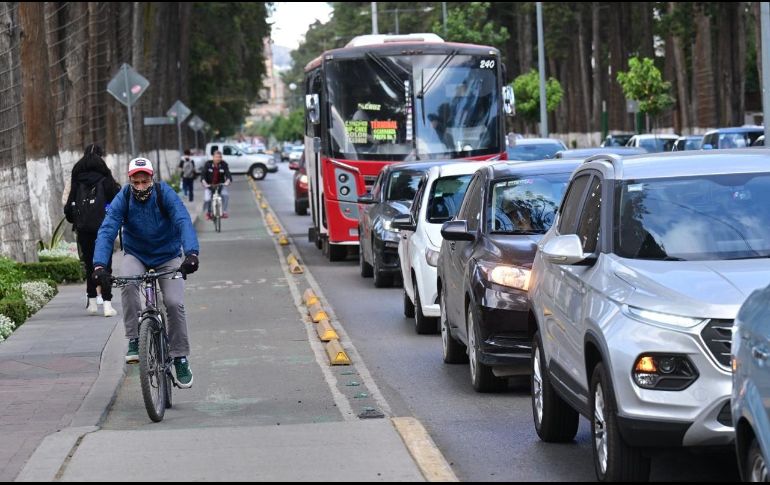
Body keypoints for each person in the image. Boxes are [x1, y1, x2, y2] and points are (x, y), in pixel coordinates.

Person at [91, 157, 200, 388]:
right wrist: (100, 265)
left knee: (173, 302)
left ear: (152, 178)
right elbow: (108, 229)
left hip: (168, 255)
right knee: (128, 284)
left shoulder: (165, 193)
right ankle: (134, 338)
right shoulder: (124, 197)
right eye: (136, 181)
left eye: (145, 180)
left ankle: (180, 356)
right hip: (137, 254)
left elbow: (182, 220)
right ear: (130, 180)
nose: (141, 186)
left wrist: (191, 253)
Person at [63, 143, 121, 317]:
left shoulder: (77, 179)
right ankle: (108, 304)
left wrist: (78, 221)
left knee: (89, 265)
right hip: (104, 229)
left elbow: (68, 209)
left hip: (84, 230)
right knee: (105, 265)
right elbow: (116, 203)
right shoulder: (106, 178)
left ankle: (92, 303)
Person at [201, 150, 232, 219]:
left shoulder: (224, 164)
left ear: (221, 158)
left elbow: (228, 174)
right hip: (209, 185)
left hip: (220, 185)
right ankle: (208, 213)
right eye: (216, 157)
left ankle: (224, 212)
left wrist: (228, 181)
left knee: (226, 195)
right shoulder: (208, 164)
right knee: (207, 199)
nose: (218, 158)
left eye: (219, 157)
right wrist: (204, 182)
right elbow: (203, 174)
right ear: (213, 157)